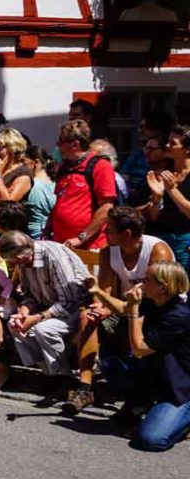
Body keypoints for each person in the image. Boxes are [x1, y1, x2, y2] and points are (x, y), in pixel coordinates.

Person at [61, 207, 174, 415]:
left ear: (127, 234)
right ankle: (85, 388)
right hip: (124, 306)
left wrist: (118, 305)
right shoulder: (108, 252)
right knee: (88, 317)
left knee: (135, 327)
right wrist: (101, 307)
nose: (105, 233)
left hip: (154, 311)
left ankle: (142, 396)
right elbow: (105, 290)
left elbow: (156, 296)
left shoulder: (157, 251)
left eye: (110, 229)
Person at [112, 262, 190, 451]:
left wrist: (133, 311)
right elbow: (123, 308)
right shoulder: (152, 303)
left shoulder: (179, 316)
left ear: (163, 287)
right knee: (111, 365)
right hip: (154, 379)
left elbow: (139, 348)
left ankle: (183, 418)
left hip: (179, 387)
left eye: (147, 280)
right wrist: (97, 292)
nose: (141, 283)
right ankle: (143, 404)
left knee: (150, 440)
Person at [0, 231, 91, 390]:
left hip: (77, 308)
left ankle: (64, 376)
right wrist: (24, 311)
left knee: (44, 329)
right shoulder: (24, 262)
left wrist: (36, 318)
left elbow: (70, 301)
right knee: (14, 324)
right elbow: (29, 296)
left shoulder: (54, 257)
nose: (15, 264)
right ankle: (49, 372)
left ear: (20, 256)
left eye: (14, 260)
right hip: (49, 307)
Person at [48, 120, 116, 250]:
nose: (57, 145)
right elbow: (59, 204)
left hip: (89, 246)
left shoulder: (100, 166)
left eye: (61, 141)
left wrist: (81, 237)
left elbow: (107, 207)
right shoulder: (64, 167)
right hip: (62, 245)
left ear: (75, 144)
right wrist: (47, 231)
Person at [145, 125, 190, 269]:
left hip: (186, 238)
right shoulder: (163, 173)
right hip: (163, 237)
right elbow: (154, 216)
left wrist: (172, 190)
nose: (167, 145)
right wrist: (157, 197)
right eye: (168, 141)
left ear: (187, 149)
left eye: (173, 143)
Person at [123, 112, 172, 203]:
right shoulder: (135, 157)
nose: (140, 131)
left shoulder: (171, 170)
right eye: (146, 147)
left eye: (144, 127)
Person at [23, 145, 56, 239]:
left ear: (36, 162)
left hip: (33, 235)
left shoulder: (32, 185)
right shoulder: (55, 183)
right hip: (51, 234)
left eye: (25, 164)